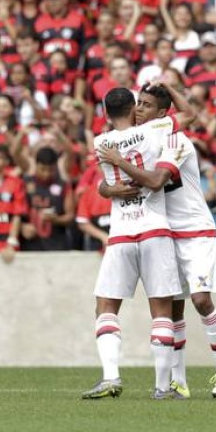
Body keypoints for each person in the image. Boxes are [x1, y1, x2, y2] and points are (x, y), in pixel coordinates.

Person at [99, 83, 216, 398]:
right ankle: (179, 381)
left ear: (162, 114)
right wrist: (107, 188)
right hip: (163, 231)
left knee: (201, 300)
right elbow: (105, 183)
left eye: (146, 105)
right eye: (138, 104)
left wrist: (119, 162)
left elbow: (158, 182)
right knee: (172, 309)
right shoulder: (139, 142)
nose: (139, 110)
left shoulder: (176, 141)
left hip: (195, 229)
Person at [82, 88, 182, 401]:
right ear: (134, 108)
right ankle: (162, 387)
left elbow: (103, 183)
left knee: (106, 305)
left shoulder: (101, 143)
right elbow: (186, 116)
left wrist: (108, 189)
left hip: (122, 231)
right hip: (154, 228)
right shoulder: (155, 129)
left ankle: (111, 376)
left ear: (104, 111)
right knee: (162, 309)